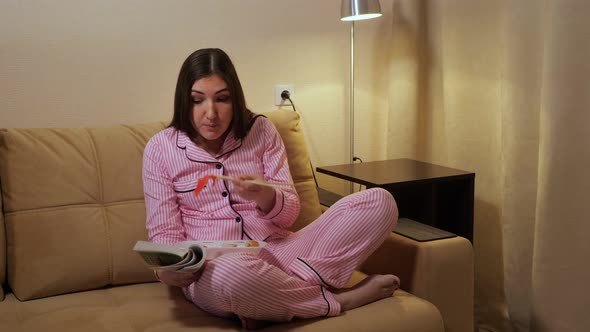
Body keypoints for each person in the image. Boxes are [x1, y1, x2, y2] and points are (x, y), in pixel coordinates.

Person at [142, 48, 400, 329]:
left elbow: (288, 216)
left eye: (222, 99)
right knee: (236, 275)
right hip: (216, 269)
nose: (211, 114)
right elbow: (164, 236)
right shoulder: (160, 149)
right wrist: (165, 272)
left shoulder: (261, 131)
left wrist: (266, 195)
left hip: (281, 251)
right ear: (184, 101)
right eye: (197, 100)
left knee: (379, 201)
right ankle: (340, 300)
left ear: (235, 99)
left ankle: (270, 300)